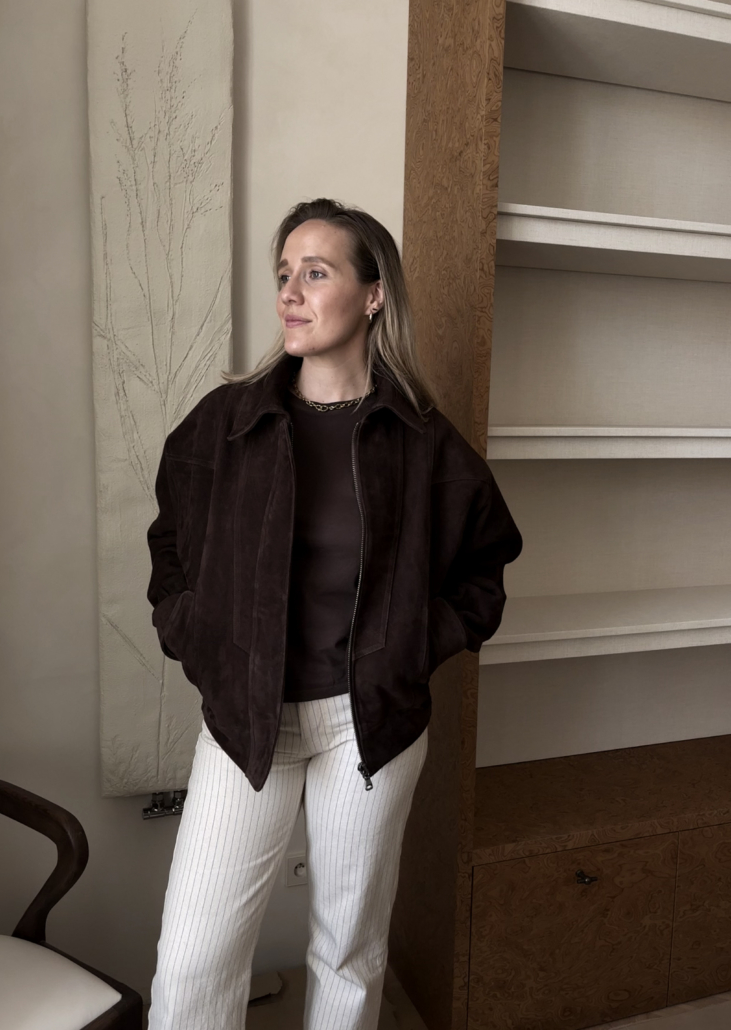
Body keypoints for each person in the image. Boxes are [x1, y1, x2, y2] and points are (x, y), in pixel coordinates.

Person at [145, 198, 523, 1030]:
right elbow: (169, 541)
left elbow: (485, 566)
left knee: (348, 950)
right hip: (246, 718)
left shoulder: (421, 441)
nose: (289, 291)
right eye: (284, 273)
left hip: (369, 724)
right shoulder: (226, 424)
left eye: (315, 273)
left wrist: (410, 646)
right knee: (194, 957)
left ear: (373, 294)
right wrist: (191, 627)